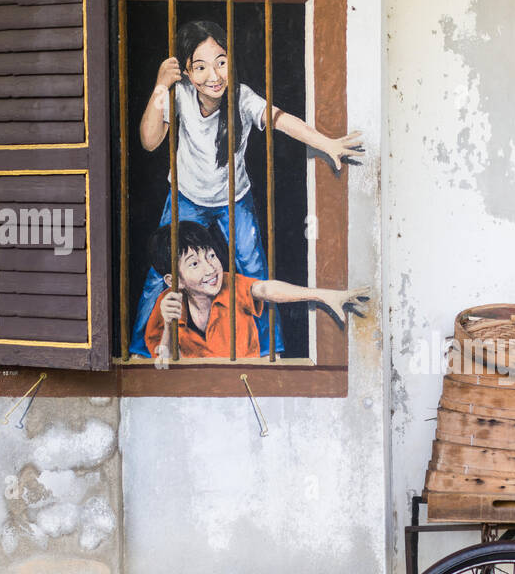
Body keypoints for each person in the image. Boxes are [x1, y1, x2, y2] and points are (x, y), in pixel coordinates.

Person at [130, 18, 364, 358]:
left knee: (254, 273)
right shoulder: (178, 95)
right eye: (200, 67)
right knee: (161, 273)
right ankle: (140, 349)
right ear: (187, 72)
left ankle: (272, 351)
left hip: (233, 198)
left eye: (221, 62)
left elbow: (281, 120)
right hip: (185, 197)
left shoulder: (241, 97)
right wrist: (159, 86)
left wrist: (326, 143)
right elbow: (149, 142)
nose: (214, 76)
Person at [144, 222, 368, 365]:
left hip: (245, 388)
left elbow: (265, 288)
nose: (210, 268)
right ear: (174, 281)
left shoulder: (231, 285)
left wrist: (324, 295)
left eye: (211, 256)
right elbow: (162, 367)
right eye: (194, 264)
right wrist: (168, 325)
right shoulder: (167, 304)